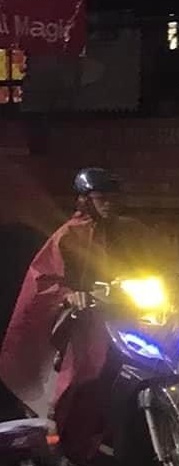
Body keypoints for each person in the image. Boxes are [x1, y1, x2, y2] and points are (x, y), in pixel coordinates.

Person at [0, 170, 152, 443]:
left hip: (126, 310)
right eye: (101, 198)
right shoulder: (68, 235)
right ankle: (71, 434)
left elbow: (154, 260)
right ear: (85, 200)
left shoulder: (129, 230)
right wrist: (70, 295)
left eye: (112, 198)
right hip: (86, 316)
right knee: (82, 374)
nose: (108, 203)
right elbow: (44, 277)